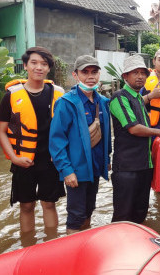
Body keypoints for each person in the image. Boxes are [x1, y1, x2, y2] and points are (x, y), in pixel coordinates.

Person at [0, 47, 65, 234]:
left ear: (49, 68)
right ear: (25, 66)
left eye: (44, 64)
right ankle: (28, 246)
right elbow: (1, 131)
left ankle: (51, 244)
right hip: (23, 160)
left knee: (49, 204)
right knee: (26, 206)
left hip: (51, 161)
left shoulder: (59, 93)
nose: (39, 67)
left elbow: (68, 129)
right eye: (34, 63)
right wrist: (13, 158)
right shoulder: (11, 95)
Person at [49, 55, 111, 234]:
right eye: (85, 72)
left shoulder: (102, 102)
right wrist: (67, 171)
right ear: (75, 75)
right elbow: (56, 141)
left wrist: (106, 159)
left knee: (89, 209)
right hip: (76, 170)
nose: (90, 77)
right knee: (75, 216)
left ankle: (85, 245)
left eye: (94, 72)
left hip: (96, 167)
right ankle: (73, 254)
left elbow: (106, 135)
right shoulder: (66, 103)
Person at [110, 55, 160, 223]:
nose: (140, 76)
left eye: (143, 73)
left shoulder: (138, 98)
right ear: (125, 76)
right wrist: (158, 132)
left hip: (144, 165)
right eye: (135, 73)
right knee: (123, 214)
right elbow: (133, 128)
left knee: (140, 211)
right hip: (127, 168)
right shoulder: (119, 97)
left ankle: (137, 246)